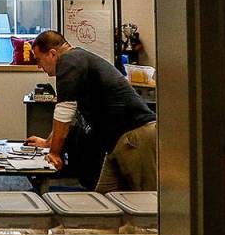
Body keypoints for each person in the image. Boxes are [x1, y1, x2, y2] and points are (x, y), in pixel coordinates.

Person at [26, 30, 157, 192]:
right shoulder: (76, 60)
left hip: (134, 136)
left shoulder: (68, 61)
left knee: (147, 204)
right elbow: (71, 114)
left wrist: (54, 153)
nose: (39, 66)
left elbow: (64, 111)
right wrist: (48, 143)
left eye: (39, 59)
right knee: (104, 203)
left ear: (52, 54)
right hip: (116, 141)